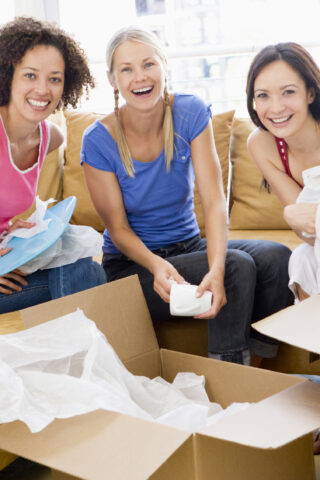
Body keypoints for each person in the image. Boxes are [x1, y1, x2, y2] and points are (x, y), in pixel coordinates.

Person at [81, 26, 293, 365]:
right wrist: (156, 264)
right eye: (127, 69)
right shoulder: (98, 140)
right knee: (239, 266)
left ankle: (258, 363)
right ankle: (229, 370)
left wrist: (216, 265)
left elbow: (212, 201)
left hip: (189, 246)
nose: (140, 78)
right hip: (132, 266)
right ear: (112, 79)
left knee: (278, 258)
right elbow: (117, 229)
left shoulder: (190, 113)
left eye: (149, 64)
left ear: (165, 65)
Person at [0, 16, 106, 314]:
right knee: (85, 274)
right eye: (30, 75)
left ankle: (84, 359)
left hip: (7, 257)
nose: (43, 89)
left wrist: (8, 227)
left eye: (54, 78)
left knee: (86, 267)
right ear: (8, 75)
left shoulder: (49, 138)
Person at [246, 42, 320, 301]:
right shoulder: (263, 144)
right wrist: (295, 214)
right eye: (263, 95)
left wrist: (298, 213)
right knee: (301, 258)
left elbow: (308, 219)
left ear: (310, 93)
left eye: (288, 92)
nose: (275, 108)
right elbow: (308, 234)